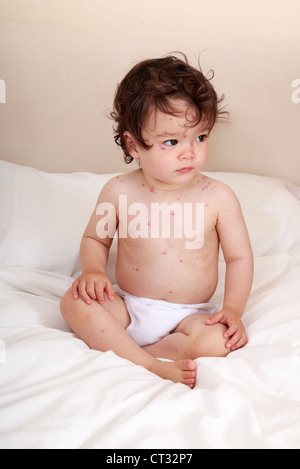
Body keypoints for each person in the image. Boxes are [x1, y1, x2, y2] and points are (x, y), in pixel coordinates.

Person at [60, 54, 254, 389]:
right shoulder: (119, 190)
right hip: (131, 307)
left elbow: (239, 258)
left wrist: (233, 309)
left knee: (220, 343)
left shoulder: (218, 196)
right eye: (171, 141)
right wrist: (92, 271)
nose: (189, 153)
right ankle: (149, 363)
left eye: (200, 137)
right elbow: (96, 239)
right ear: (133, 144)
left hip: (189, 315)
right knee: (73, 303)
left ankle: (144, 350)